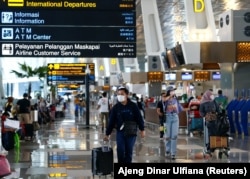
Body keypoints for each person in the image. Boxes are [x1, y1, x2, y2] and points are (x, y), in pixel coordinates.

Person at [103, 86, 145, 163]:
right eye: (118, 94)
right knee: (120, 150)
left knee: (129, 151)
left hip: (131, 131)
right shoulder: (116, 108)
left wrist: (142, 129)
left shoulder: (133, 106)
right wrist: (107, 133)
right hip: (120, 132)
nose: (120, 96)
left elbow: (139, 118)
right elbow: (111, 121)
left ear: (127, 95)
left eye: (122, 94)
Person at [164, 86, 183, 160]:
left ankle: (173, 153)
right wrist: (169, 96)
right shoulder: (165, 99)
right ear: (168, 92)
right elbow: (164, 101)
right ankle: (167, 150)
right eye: (172, 91)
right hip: (167, 118)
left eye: (173, 91)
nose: (173, 92)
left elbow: (180, 108)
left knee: (174, 136)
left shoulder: (176, 100)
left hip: (175, 117)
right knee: (167, 135)